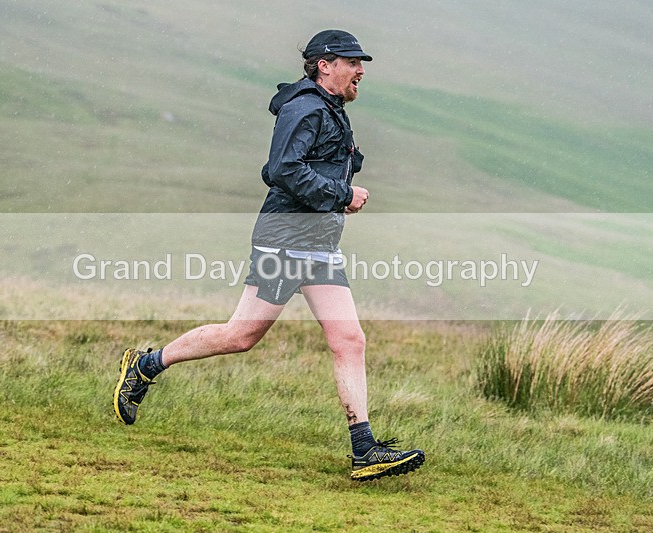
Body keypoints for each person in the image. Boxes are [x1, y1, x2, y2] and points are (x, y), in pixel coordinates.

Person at [113, 29, 424, 481]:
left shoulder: (330, 110)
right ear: (324, 64)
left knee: (349, 339)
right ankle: (144, 366)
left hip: (317, 243)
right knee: (241, 336)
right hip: (285, 239)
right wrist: (341, 194)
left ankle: (364, 450)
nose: (361, 71)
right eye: (353, 63)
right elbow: (281, 170)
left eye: (362, 64)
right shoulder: (305, 109)